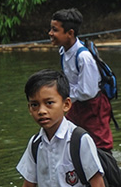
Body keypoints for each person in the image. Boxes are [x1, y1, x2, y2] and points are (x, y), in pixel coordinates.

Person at [48, 8, 114, 150]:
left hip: (92, 106)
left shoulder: (83, 57)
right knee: (68, 138)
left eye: (55, 30)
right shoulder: (63, 51)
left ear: (70, 33)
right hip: (76, 104)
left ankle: (107, 169)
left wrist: (61, 95)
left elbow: (87, 92)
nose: (50, 33)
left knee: (100, 146)